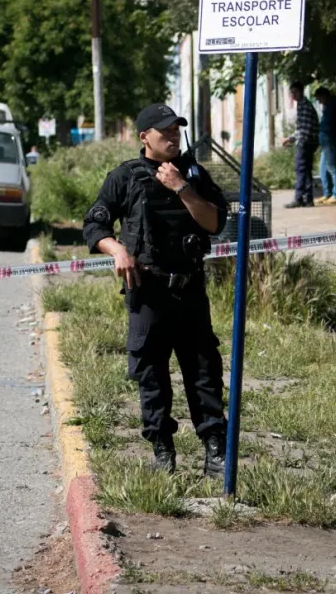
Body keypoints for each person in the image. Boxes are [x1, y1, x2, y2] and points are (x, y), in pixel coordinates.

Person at [82, 103, 230, 478]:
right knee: (151, 375)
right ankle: (162, 450)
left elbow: (214, 223)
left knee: (204, 372)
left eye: (177, 130)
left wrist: (181, 188)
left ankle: (215, 449)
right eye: (165, 132)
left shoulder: (193, 174)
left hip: (189, 290)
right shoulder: (125, 177)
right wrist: (117, 250)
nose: (173, 137)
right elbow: (95, 224)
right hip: (147, 291)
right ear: (144, 137)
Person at [281, 81, 320, 208]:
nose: (293, 95)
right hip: (308, 142)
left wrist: (289, 138)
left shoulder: (305, 106)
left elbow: (304, 130)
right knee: (306, 171)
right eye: (291, 93)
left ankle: (298, 199)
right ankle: (308, 199)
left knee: (301, 169)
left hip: (305, 142)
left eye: (295, 92)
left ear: (301, 91)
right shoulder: (302, 105)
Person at [314, 87, 336, 205]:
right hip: (326, 142)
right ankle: (327, 194)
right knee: (323, 168)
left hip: (331, 141)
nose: (319, 101)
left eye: (319, 98)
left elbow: (332, 125)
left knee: (333, 167)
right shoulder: (328, 106)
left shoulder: (333, 106)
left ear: (324, 96)